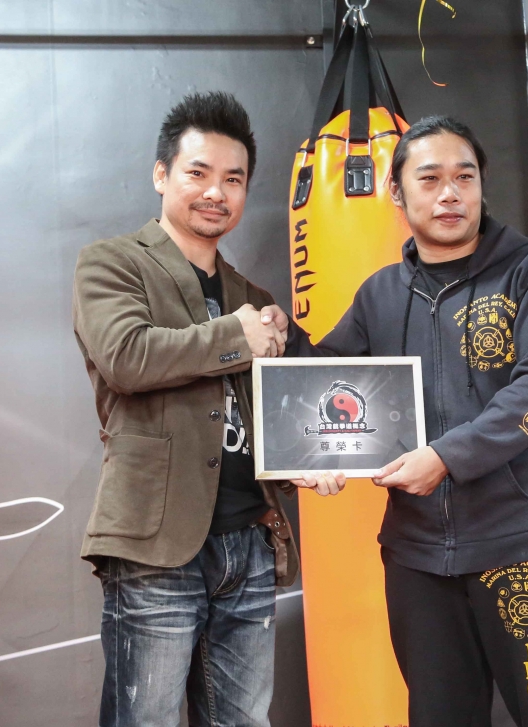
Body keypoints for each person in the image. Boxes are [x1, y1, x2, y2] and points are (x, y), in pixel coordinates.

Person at [280, 116, 528, 726]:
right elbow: (327, 380)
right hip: (418, 556)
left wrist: (448, 457)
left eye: (464, 177)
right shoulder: (380, 294)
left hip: (521, 546)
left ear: (481, 185)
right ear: (396, 193)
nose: (450, 194)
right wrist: (282, 350)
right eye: (429, 179)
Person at [72, 91, 337, 727]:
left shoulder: (253, 296)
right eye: (198, 172)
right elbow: (127, 357)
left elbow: (274, 410)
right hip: (155, 544)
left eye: (233, 179)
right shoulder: (113, 263)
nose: (216, 192)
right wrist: (236, 336)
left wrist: (307, 455)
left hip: (250, 543)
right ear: (161, 174)